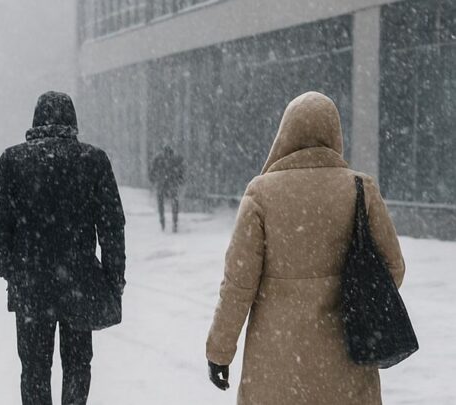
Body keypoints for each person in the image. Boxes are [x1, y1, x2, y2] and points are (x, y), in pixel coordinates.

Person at [205, 92, 405, 405]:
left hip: (277, 362)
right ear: (334, 134)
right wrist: (355, 301)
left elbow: (238, 284)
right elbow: (394, 266)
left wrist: (219, 352)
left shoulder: (261, 193)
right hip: (346, 356)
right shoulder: (359, 189)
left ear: (285, 134)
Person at [0, 91, 126, 405]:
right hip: (81, 282)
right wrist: (114, 279)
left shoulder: (13, 160)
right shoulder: (93, 160)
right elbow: (112, 227)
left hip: (31, 286)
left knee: (34, 368)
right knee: (78, 364)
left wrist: (11, 269)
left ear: (36, 120)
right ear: (72, 121)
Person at [149, 145, 185, 232]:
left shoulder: (158, 159)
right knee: (173, 203)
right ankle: (172, 223)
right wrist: (180, 180)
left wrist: (153, 180)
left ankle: (165, 222)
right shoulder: (176, 159)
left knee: (163, 203)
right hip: (171, 184)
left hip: (165, 184)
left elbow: (152, 171)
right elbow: (181, 171)